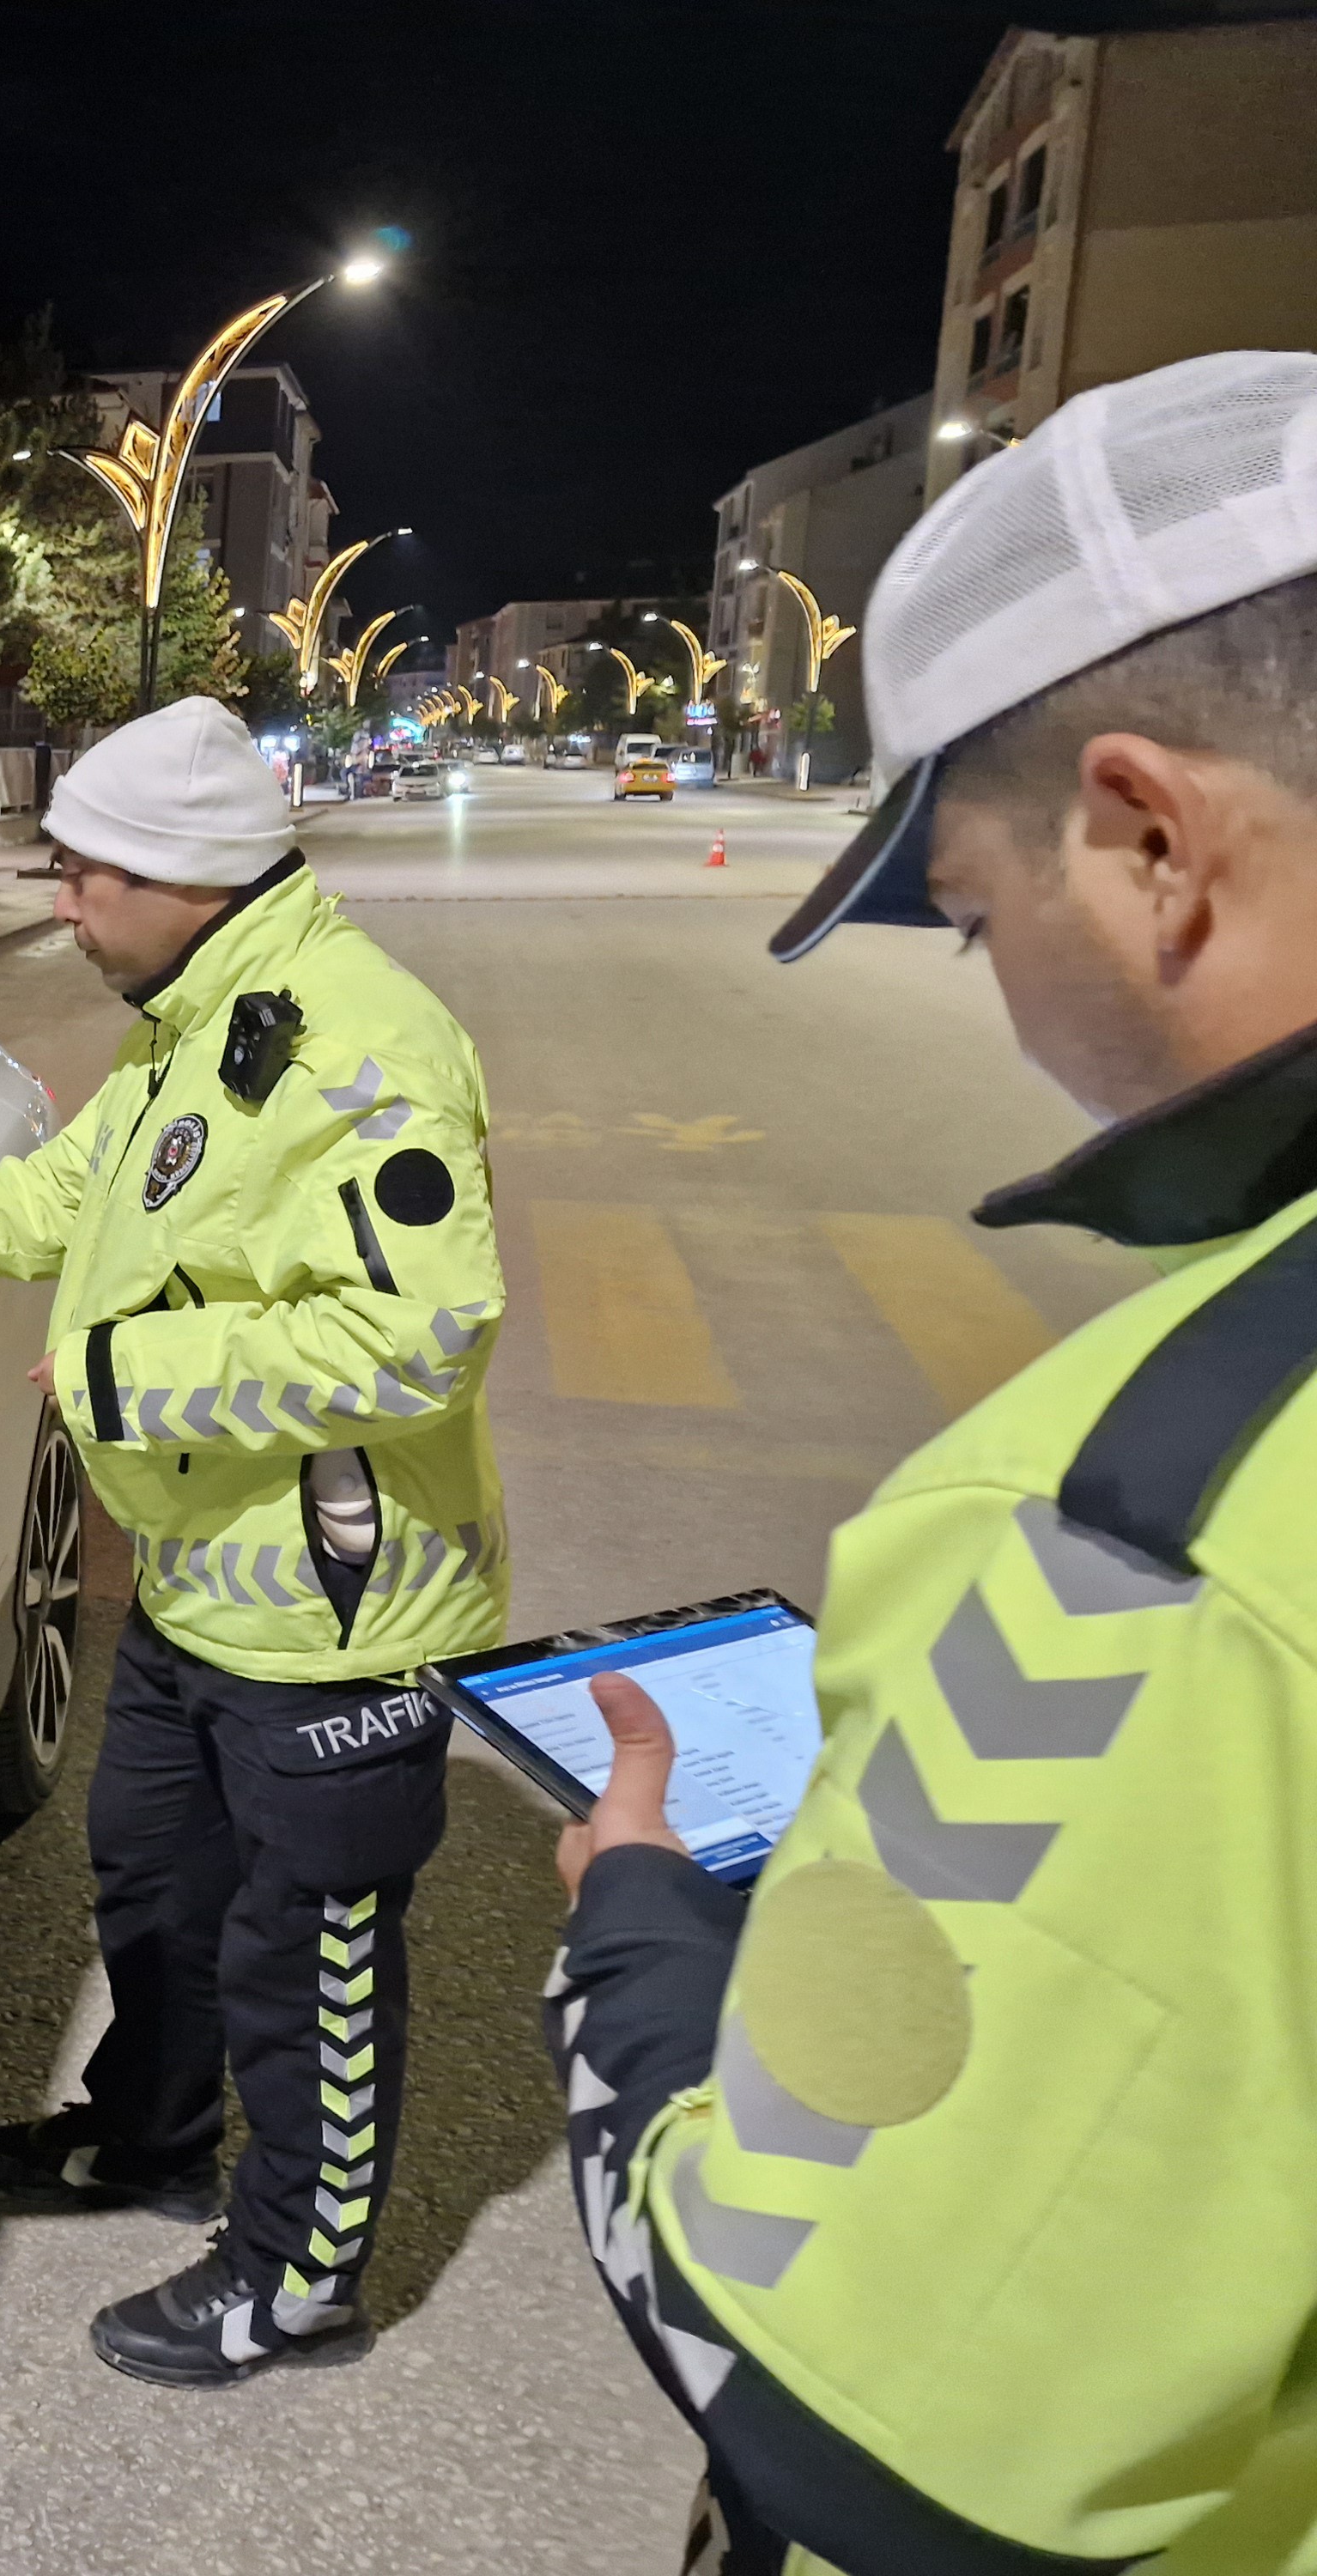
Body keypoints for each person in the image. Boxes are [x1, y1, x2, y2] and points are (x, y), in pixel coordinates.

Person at [546, 350, 1317, 2571]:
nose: (998, 1003)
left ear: (1148, 836)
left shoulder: (1142, 1537)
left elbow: (845, 2409)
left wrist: (635, 1942)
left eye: (974, 921)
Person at [0, 695, 512, 2385]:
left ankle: (294, 2274)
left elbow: (423, 1335)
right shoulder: (190, 1021)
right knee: (156, 1892)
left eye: (83, 870)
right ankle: (153, 2140)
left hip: (337, 1613)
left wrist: (122, 1370)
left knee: (307, 1954)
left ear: (183, 876)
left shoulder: (356, 1048)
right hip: (193, 1586)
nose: (58, 898)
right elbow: (60, 1203)